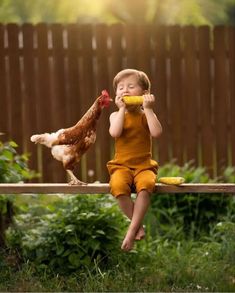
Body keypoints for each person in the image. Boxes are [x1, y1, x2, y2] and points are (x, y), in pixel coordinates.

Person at [107, 69, 162, 251]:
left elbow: (156, 133)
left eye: (131, 86)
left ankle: (131, 232)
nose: (125, 91)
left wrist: (148, 109)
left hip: (143, 166)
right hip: (121, 166)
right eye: (120, 88)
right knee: (117, 186)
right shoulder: (115, 116)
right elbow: (115, 132)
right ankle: (137, 226)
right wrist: (121, 109)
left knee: (146, 185)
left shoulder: (146, 115)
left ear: (144, 94)